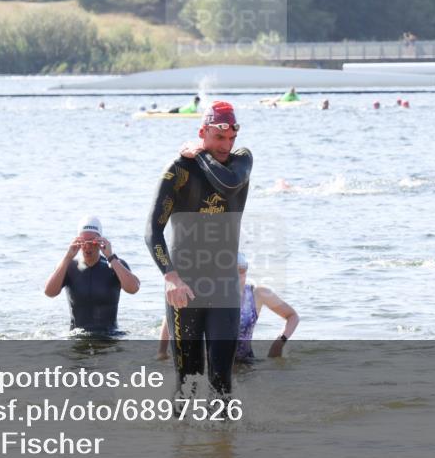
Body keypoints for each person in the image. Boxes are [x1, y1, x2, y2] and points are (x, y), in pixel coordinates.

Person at [146, 101, 252, 399]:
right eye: (219, 137)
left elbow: (227, 185)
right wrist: (170, 276)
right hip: (185, 286)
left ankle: (225, 431)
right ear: (202, 132)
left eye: (231, 138)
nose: (226, 145)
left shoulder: (241, 162)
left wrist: (201, 154)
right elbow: (152, 230)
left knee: (222, 381)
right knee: (187, 381)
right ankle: (182, 429)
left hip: (224, 286)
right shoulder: (178, 170)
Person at [156, 252, 299, 361]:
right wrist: (162, 352)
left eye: (241, 271)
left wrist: (279, 343)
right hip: (211, 364)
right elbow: (172, 314)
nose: (236, 277)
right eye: (230, 272)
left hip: (245, 362)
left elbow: (292, 316)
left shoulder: (258, 294)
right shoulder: (205, 293)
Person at [44, 216, 140, 334]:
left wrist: (111, 257)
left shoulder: (115, 265)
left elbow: (133, 288)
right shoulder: (68, 267)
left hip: (110, 337)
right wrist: (67, 257)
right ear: (77, 242)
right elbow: (49, 292)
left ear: (101, 242)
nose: (88, 246)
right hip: (77, 337)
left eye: (93, 241)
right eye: (83, 242)